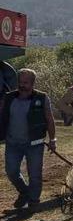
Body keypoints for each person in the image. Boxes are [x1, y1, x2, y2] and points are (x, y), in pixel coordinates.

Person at [0, 69, 56, 210]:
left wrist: (52, 139)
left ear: (32, 83)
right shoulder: (9, 97)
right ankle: (24, 192)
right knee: (11, 171)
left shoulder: (42, 98)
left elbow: (49, 119)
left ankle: (34, 200)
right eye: (20, 82)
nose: (22, 85)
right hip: (13, 143)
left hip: (34, 143)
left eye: (25, 82)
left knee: (35, 173)